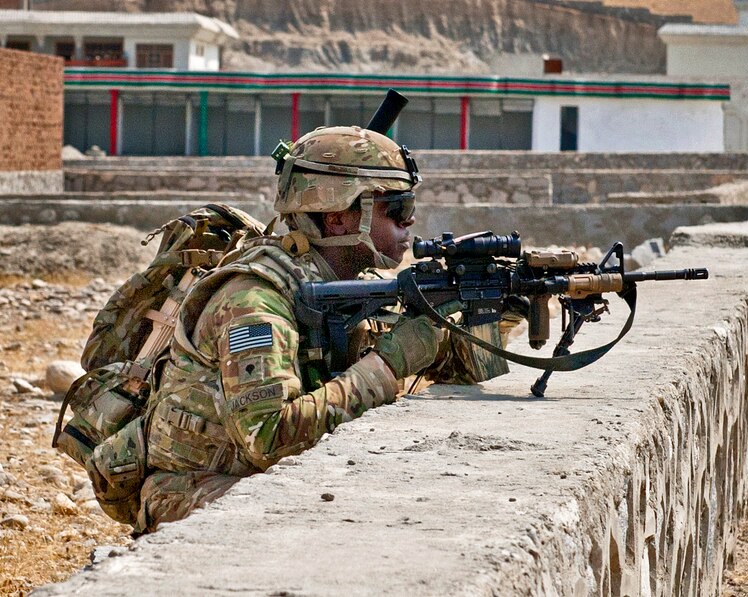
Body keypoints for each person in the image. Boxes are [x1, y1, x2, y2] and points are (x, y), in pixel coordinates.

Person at [135, 125, 512, 533]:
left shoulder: (352, 289)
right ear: (337, 218)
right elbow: (269, 438)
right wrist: (386, 365)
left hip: (256, 477)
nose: (412, 220)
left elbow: (467, 372)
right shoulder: (254, 301)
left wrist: (493, 305)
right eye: (397, 209)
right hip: (196, 489)